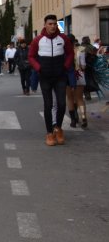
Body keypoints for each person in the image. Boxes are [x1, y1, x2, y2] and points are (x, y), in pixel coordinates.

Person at [28, 14, 74, 146]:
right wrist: (39, 68)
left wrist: (65, 66)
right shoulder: (38, 40)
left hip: (60, 76)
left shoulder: (63, 38)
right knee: (48, 105)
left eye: (54, 24)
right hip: (45, 76)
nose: (53, 26)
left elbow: (70, 53)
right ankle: (49, 133)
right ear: (45, 25)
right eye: (50, 24)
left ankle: (58, 128)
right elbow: (31, 56)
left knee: (61, 104)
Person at [67, 37, 88, 128]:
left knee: (70, 98)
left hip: (68, 76)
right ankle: (83, 118)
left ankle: (73, 120)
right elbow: (83, 65)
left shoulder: (64, 52)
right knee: (79, 98)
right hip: (79, 75)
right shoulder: (81, 50)